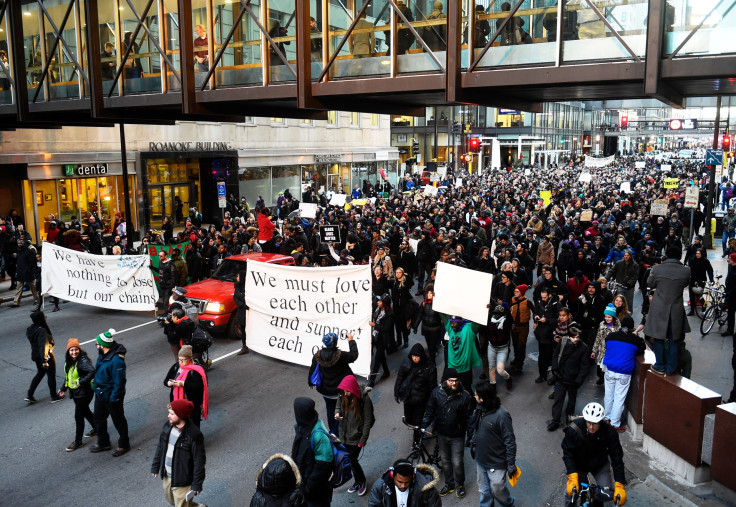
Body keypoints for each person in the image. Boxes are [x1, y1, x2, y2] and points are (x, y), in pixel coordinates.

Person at [421, 367, 475, 498]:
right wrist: (424, 424)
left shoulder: (465, 396)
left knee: (457, 462)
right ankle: (449, 484)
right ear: (445, 381)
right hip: (442, 434)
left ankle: (460, 485)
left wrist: (471, 437)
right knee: (445, 461)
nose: (454, 383)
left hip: (458, 435)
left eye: (456, 381)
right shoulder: (436, 393)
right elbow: (430, 410)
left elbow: (469, 419)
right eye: (451, 381)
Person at [562, 403, 627, 507]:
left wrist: (619, 484)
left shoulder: (610, 432)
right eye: (589, 423)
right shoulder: (574, 429)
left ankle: (596, 502)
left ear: (600, 422)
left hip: (599, 465)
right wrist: (572, 475)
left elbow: (617, 458)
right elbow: (568, 453)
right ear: (585, 419)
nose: (591, 427)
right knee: (571, 494)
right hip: (579, 465)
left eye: (595, 424)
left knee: (607, 493)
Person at [467, 381, 520, 507]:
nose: (474, 396)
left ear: (483, 398)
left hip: (496, 462)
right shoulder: (479, 410)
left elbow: (510, 441)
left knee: (497, 489)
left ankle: (508, 503)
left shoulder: (502, 415)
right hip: (481, 459)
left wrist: (511, 464)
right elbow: (476, 428)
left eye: (476, 395)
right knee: (485, 491)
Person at [151, 399, 207, 507]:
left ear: (180, 415)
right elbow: (160, 447)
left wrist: (197, 484)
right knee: (172, 500)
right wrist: (155, 466)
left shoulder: (194, 434)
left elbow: (199, 461)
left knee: (180, 504)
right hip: (168, 476)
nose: (168, 416)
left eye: (172, 414)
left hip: (183, 480)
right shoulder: (168, 426)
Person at [645, 246, 691, 375]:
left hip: (659, 307)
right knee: (674, 339)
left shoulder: (657, 269)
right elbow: (686, 284)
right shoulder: (686, 271)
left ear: (666, 255)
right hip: (676, 308)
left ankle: (659, 364)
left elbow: (650, 283)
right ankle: (671, 367)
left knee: (658, 337)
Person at [307, 332, 359, 434]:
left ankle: (333, 430)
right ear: (335, 342)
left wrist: (310, 382)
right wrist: (351, 340)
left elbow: (312, 370)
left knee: (330, 410)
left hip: (326, 391)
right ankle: (334, 433)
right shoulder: (341, 355)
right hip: (340, 391)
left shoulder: (317, 355)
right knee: (342, 410)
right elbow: (354, 355)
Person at [90, 329, 130, 457]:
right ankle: (103, 442)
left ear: (103, 345)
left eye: (97, 343)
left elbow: (119, 382)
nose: (96, 346)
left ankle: (124, 444)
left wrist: (114, 399)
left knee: (119, 421)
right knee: (98, 419)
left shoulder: (117, 361)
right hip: (101, 394)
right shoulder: (102, 355)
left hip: (111, 396)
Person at [602, 316, 645, 433]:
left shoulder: (611, 336)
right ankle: (615, 424)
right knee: (619, 398)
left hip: (609, 370)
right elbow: (642, 348)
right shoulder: (635, 340)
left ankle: (607, 418)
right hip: (624, 372)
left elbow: (607, 344)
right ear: (632, 328)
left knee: (609, 395)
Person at [335, 375, 375, 496]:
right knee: (350, 460)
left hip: (356, 437)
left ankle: (361, 481)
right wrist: (337, 413)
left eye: (348, 391)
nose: (345, 393)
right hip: (344, 435)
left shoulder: (364, 400)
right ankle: (358, 481)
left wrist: (363, 439)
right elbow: (338, 406)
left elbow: (368, 420)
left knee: (352, 460)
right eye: (344, 391)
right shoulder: (342, 395)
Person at [291, 397, 333, 507]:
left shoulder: (318, 435)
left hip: (316, 493)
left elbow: (323, 468)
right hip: (305, 487)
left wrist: (307, 489)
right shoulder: (303, 427)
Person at [548, 324, 591, 431]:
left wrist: (579, 380)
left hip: (573, 380)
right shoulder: (563, 342)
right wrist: (555, 369)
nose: (576, 339)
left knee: (571, 400)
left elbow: (585, 366)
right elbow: (555, 355)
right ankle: (555, 420)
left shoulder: (583, 348)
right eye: (574, 337)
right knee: (558, 399)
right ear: (569, 337)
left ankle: (569, 418)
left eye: (577, 337)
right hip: (561, 377)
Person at [394, 343, 437, 446]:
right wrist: (397, 392)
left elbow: (432, 386)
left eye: (417, 356)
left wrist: (432, 402)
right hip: (408, 398)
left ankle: (416, 442)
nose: (415, 359)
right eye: (413, 356)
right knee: (409, 420)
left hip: (421, 400)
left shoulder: (429, 368)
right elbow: (400, 377)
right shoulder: (406, 363)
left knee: (417, 422)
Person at [58, 338, 96, 451]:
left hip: (84, 393)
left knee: (78, 416)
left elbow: (92, 371)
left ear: (79, 349)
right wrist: (63, 388)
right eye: (71, 350)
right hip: (76, 393)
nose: (74, 352)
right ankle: (98, 428)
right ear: (68, 352)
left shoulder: (83, 361)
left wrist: (82, 381)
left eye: (76, 349)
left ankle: (78, 441)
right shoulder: (69, 362)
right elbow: (68, 376)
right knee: (86, 412)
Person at [164, 345, 209, 428]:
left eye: (184, 360)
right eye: (179, 359)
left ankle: (196, 440)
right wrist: (169, 383)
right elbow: (166, 381)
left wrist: (183, 384)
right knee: (180, 424)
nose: (181, 362)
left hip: (191, 404)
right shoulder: (176, 367)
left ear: (190, 358)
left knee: (193, 425)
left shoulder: (196, 370)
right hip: (177, 403)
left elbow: (198, 387)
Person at [367, 459, 442, 507]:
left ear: (413, 477)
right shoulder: (381, 486)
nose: (403, 486)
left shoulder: (425, 488)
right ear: (392, 476)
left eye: (407, 482)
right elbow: (374, 504)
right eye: (399, 482)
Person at [25, 311, 62, 403]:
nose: (45, 317)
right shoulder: (42, 330)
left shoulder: (31, 329)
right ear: (41, 319)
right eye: (44, 316)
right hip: (45, 356)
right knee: (51, 375)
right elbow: (43, 345)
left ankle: (30, 394)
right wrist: (44, 360)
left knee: (40, 373)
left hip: (36, 355)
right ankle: (54, 396)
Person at [441, 315, 482, 391]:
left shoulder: (469, 329)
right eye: (451, 322)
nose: (452, 324)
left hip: (465, 369)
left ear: (460, 323)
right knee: (452, 389)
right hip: (452, 367)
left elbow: (479, 319)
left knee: (467, 389)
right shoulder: (450, 329)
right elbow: (441, 314)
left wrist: (485, 309)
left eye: (454, 322)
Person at [533, 287, 560, 384]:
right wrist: (535, 317)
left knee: (549, 356)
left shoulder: (556, 304)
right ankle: (542, 375)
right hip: (541, 333)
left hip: (550, 333)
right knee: (542, 356)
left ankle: (551, 374)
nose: (543, 299)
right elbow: (535, 311)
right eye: (542, 297)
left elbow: (558, 319)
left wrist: (547, 320)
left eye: (545, 297)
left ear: (549, 295)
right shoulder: (539, 302)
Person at [413, 284, 443, 363]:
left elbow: (443, 318)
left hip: (435, 330)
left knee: (432, 347)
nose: (428, 295)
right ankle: (431, 360)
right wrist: (415, 326)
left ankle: (432, 362)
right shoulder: (424, 303)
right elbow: (420, 315)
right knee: (429, 346)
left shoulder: (438, 305)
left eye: (431, 293)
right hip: (426, 328)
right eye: (427, 293)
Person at [368, 294, 394, 386]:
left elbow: (387, 328)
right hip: (376, 337)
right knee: (381, 356)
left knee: (377, 359)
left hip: (383, 339)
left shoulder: (390, 314)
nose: (377, 302)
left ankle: (371, 381)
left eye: (380, 301)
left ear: (384, 303)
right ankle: (386, 372)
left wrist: (375, 325)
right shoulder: (377, 309)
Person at [509, 284, 533, 373]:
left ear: (522, 292)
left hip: (524, 327)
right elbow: (508, 310)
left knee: (521, 345)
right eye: (515, 291)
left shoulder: (527, 302)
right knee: (515, 344)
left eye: (517, 291)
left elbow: (535, 311)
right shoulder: (512, 300)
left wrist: (536, 321)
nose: (515, 292)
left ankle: (520, 364)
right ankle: (516, 359)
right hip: (514, 326)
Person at [13, 240, 39, 308]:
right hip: (21, 272)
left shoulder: (29, 251)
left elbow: (32, 262)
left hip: (28, 272)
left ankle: (37, 299)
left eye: (21, 243)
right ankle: (16, 302)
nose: (19, 244)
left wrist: (28, 269)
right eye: (18, 243)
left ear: (24, 244)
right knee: (19, 287)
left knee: (33, 287)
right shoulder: (19, 251)